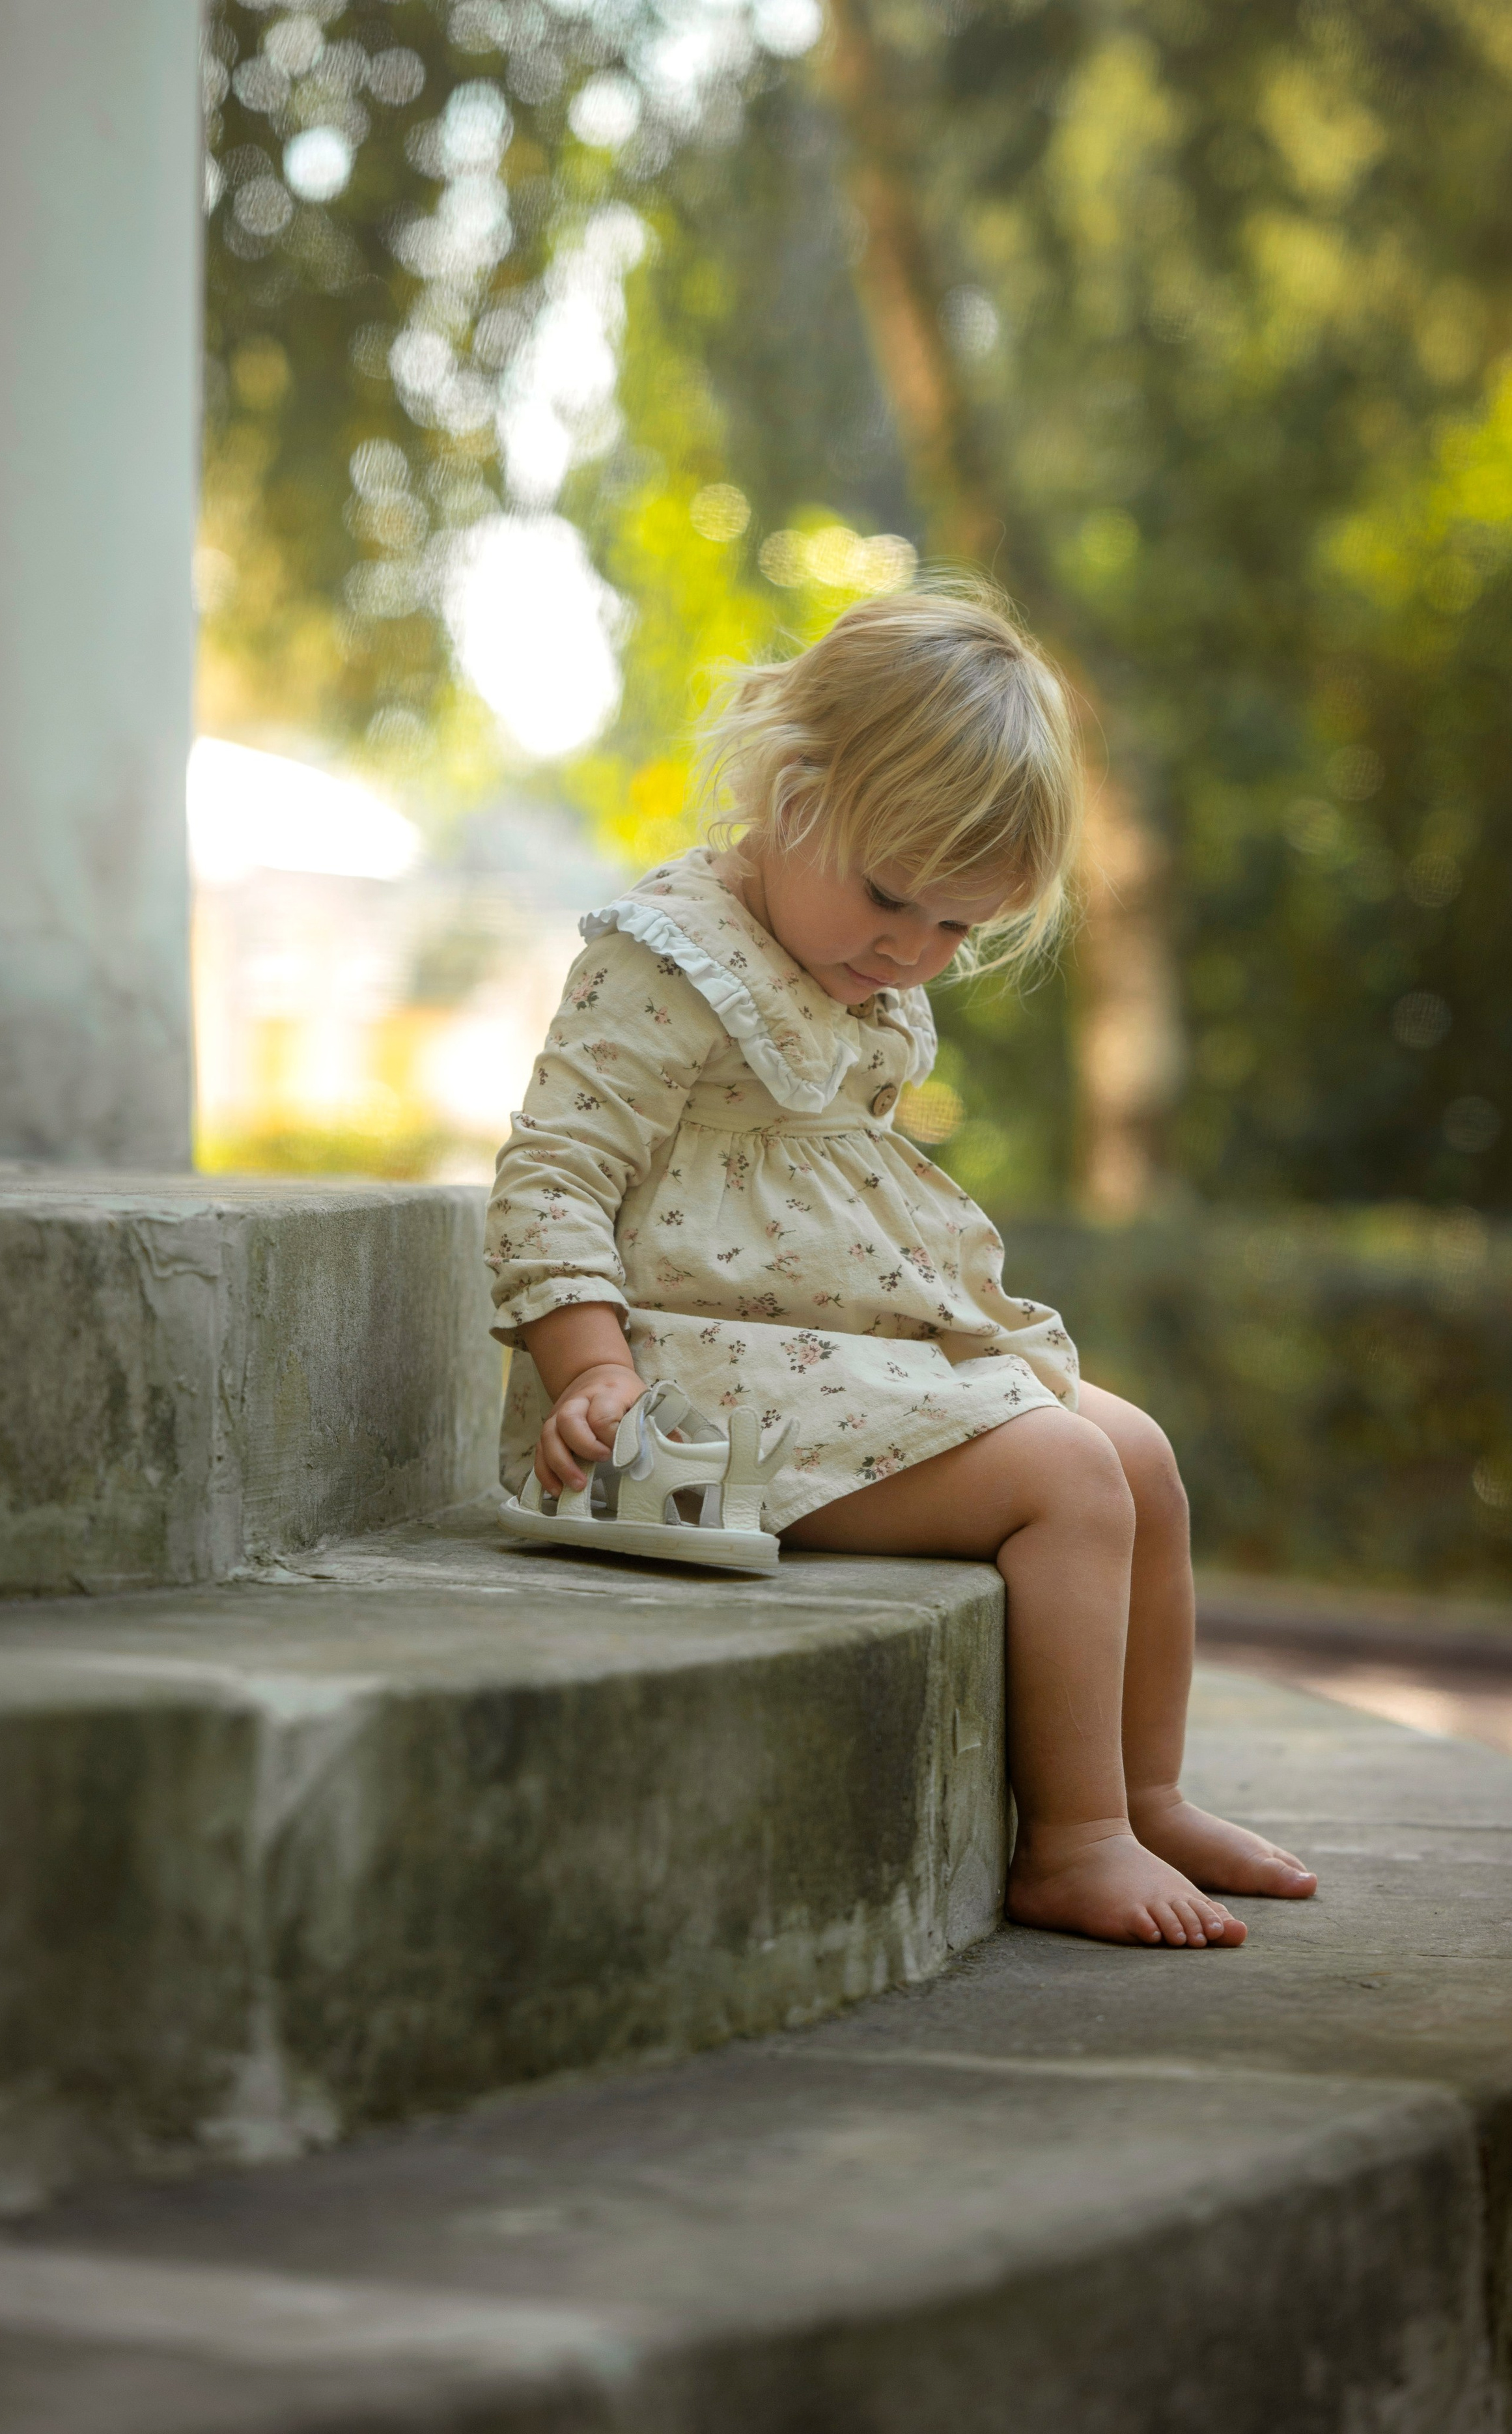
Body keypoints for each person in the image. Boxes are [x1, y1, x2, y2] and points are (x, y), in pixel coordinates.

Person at [484, 583, 1317, 1949]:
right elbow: (554, 1171)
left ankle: (1146, 1792)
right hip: (668, 1432)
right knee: (1063, 1476)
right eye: (891, 902)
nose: (911, 954)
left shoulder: (846, 965)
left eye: (955, 930)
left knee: (1141, 1459)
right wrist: (591, 1374)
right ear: (791, 794)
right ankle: (1073, 1840)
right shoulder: (669, 962)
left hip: (830, 1377)